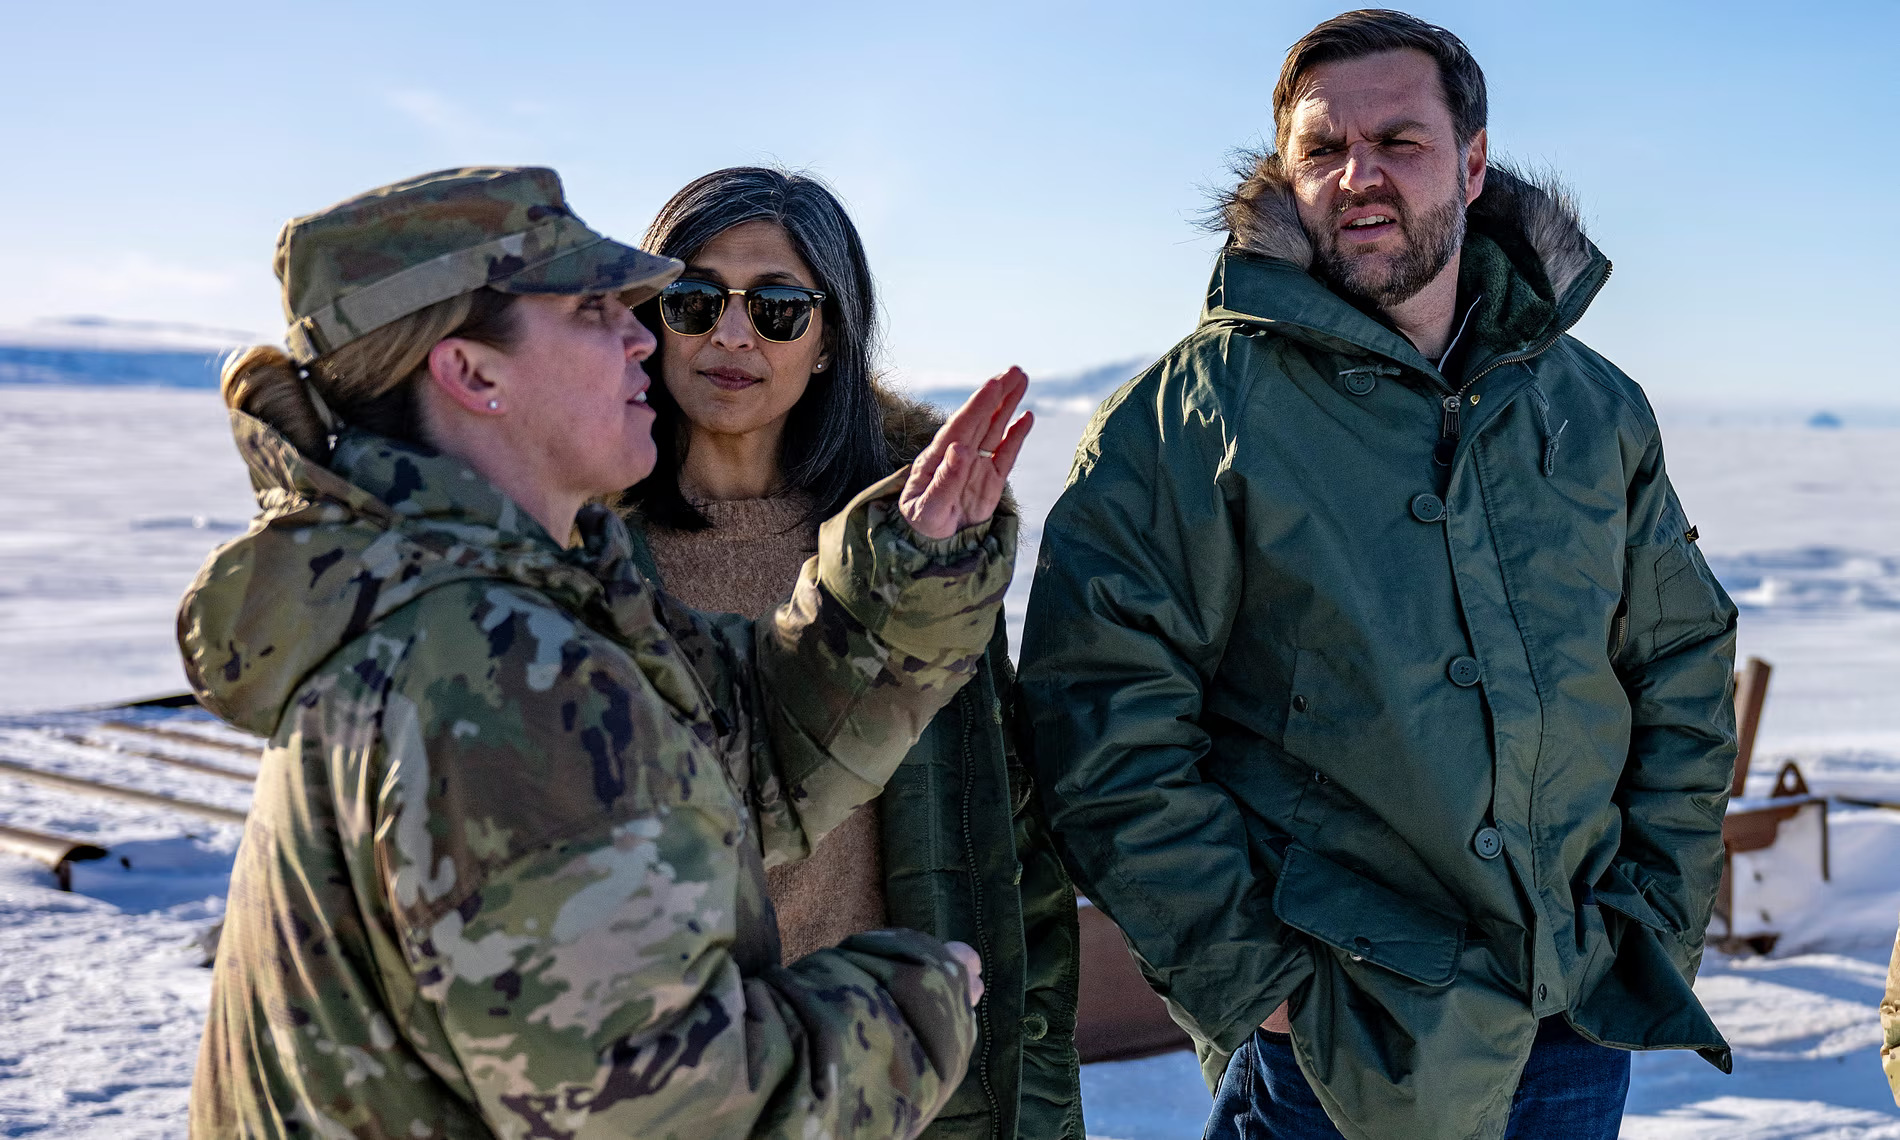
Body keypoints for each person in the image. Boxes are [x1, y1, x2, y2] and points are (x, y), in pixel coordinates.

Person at [181, 165, 1035, 1139]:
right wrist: (906, 1005)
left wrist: (899, 577)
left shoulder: (503, 596)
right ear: (473, 374)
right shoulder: (489, 668)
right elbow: (658, 1109)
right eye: (596, 311)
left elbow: (747, 753)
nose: (646, 335)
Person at [1017, 11, 1739, 1140]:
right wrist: (1257, 983)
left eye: (1399, 141)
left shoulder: (1590, 404)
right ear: (1283, 174)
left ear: (1474, 160)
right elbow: (1100, 716)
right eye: (1321, 150)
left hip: (1574, 1021)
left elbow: (1680, 662)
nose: (1359, 177)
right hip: (1338, 1048)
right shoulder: (1186, 422)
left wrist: (1648, 914)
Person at [617, 166, 1082, 1140]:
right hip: (658, 1081)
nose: (732, 335)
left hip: (885, 1074)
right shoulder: (581, 544)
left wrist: (1023, 1085)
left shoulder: (907, 552)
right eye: (692, 299)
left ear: (830, 340)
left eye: (779, 307)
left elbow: (1002, 839)